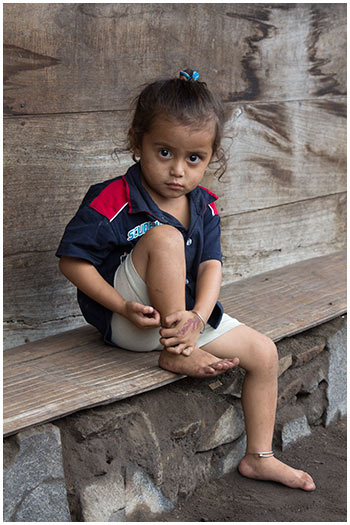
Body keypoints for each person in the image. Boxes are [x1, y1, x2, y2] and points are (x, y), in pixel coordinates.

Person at [56, 69, 316, 491]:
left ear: (211, 157)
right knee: (165, 238)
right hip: (133, 322)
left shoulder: (204, 205)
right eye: (164, 152)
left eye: (194, 158)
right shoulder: (112, 200)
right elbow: (72, 262)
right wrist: (120, 306)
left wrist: (198, 315)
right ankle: (178, 350)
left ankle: (260, 456)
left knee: (264, 353)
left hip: (184, 323)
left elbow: (211, 266)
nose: (178, 170)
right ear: (138, 141)